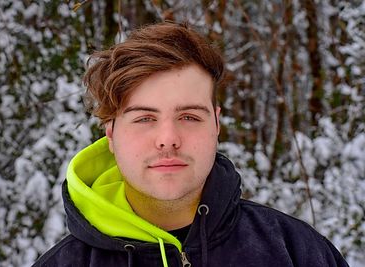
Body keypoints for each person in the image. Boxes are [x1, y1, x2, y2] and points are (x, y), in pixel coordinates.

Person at [33, 22, 349, 267]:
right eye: (144, 118)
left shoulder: (295, 251)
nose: (168, 138)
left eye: (189, 117)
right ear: (111, 135)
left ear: (216, 124)